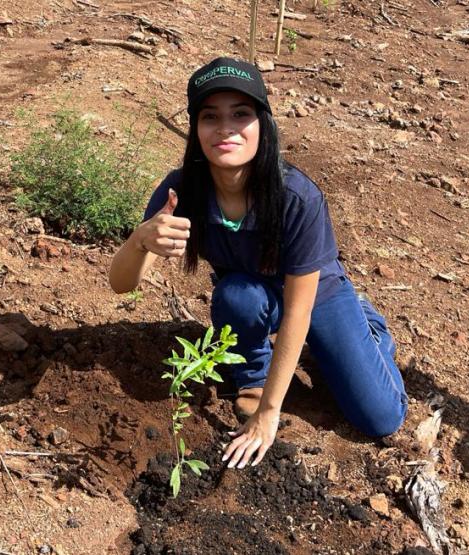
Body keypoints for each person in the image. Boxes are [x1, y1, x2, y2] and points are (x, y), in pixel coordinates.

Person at [109, 57, 407, 470]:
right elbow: (122, 284)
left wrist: (269, 415)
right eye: (210, 116)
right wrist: (140, 240)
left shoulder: (296, 197)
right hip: (252, 294)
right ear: (195, 128)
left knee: (380, 419)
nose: (225, 128)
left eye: (240, 114)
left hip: (316, 297)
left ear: (262, 124)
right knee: (236, 296)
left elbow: (299, 310)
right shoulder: (182, 190)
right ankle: (253, 373)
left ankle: (367, 327)